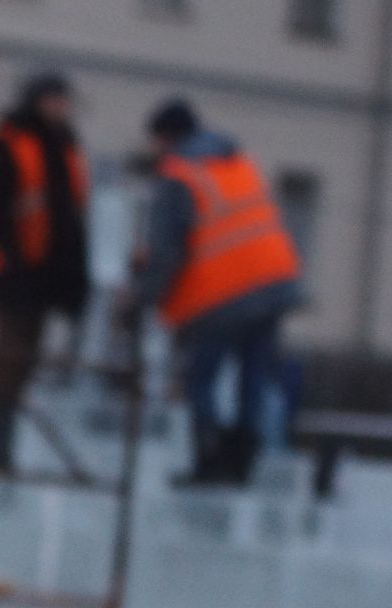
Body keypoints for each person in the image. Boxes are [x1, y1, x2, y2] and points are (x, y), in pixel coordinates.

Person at [129, 98, 302, 487]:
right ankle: (244, 458)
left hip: (219, 296)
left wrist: (140, 301)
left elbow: (165, 253)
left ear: (165, 137)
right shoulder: (238, 162)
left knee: (201, 379)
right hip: (273, 284)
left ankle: (209, 459)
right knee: (254, 377)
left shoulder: (178, 176)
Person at [0, 71, 93, 473]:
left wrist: (72, 278)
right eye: (52, 99)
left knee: (24, 359)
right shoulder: (9, 140)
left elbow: (72, 216)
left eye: (62, 100)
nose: (59, 107)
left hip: (46, 275)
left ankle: (0, 444)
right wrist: (10, 261)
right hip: (13, 271)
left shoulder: (66, 148)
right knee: (9, 355)